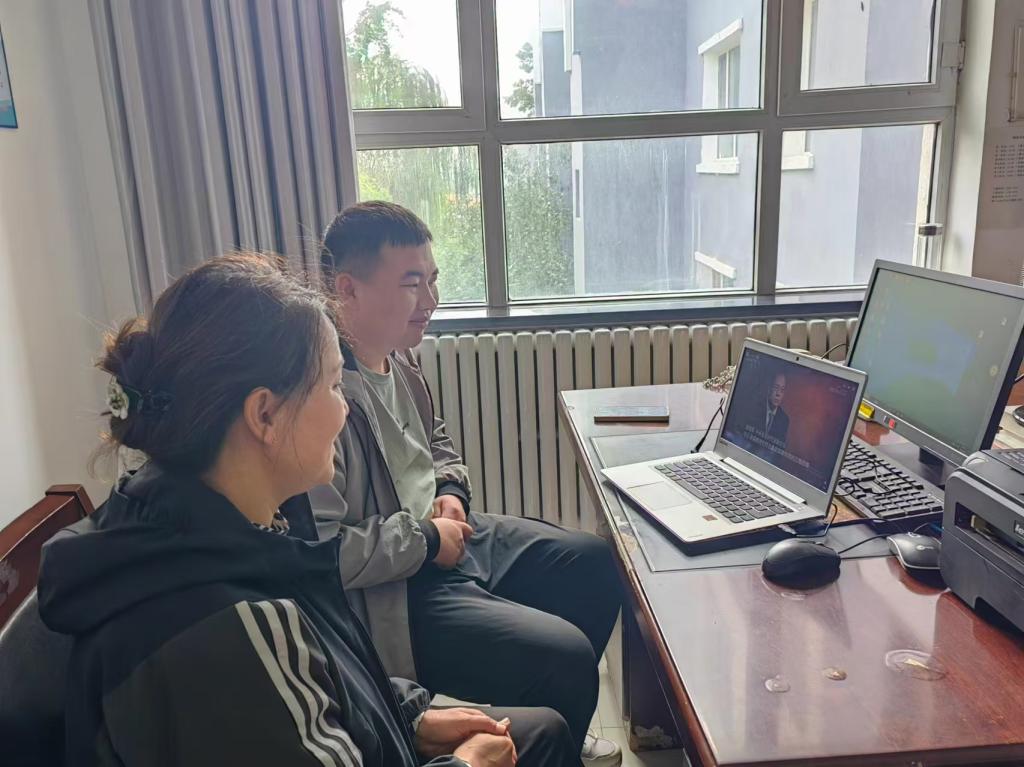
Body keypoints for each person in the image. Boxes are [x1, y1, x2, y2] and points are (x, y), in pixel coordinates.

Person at [37, 253, 579, 767]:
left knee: (545, 729)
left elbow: (326, 669)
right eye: (334, 385)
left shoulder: (203, 516)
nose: (344, 410)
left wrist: (409, 717)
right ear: (265, 416)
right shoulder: (230, 631)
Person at [312, 202, 623, 766]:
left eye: (433, 280)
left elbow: (438, 445)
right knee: (568, 657)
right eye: (412, 284)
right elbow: (326, 554)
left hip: (447, 537)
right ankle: (548, 735)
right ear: (347, 289)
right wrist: (428, 540)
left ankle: (559, 729)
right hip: (400, 588)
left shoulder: (400, 361)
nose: (430, 300)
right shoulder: (325, 400)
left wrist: (452, 495)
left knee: (593, 562)